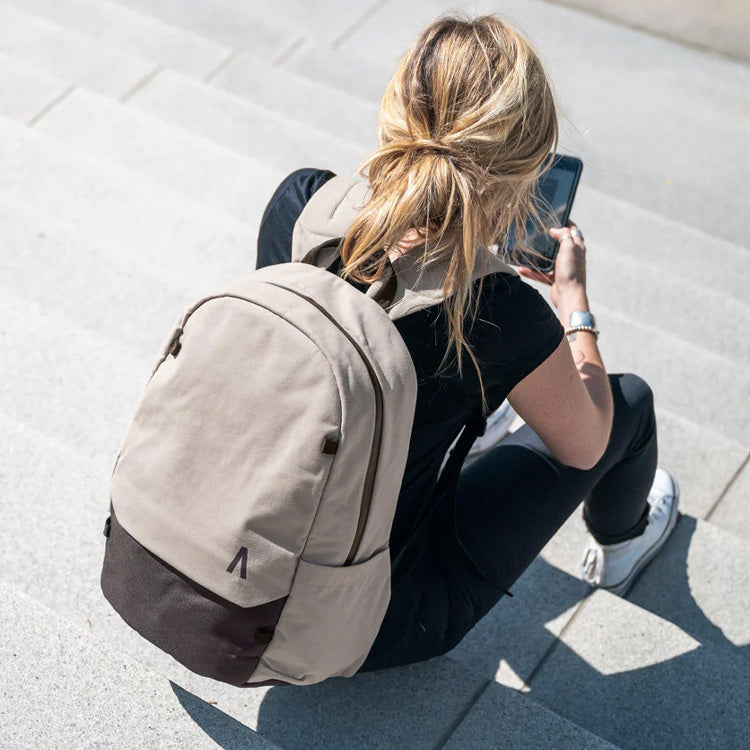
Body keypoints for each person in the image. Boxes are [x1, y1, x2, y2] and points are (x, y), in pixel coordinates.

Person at [255, 14, 679, 673]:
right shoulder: (496, 311)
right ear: (524, 167)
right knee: (626, 402)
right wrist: (574, 309)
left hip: (229, 562)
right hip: (371, 621)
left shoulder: (302, 204)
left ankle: (472, 421)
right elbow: (587, 442)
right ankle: (624, 544)